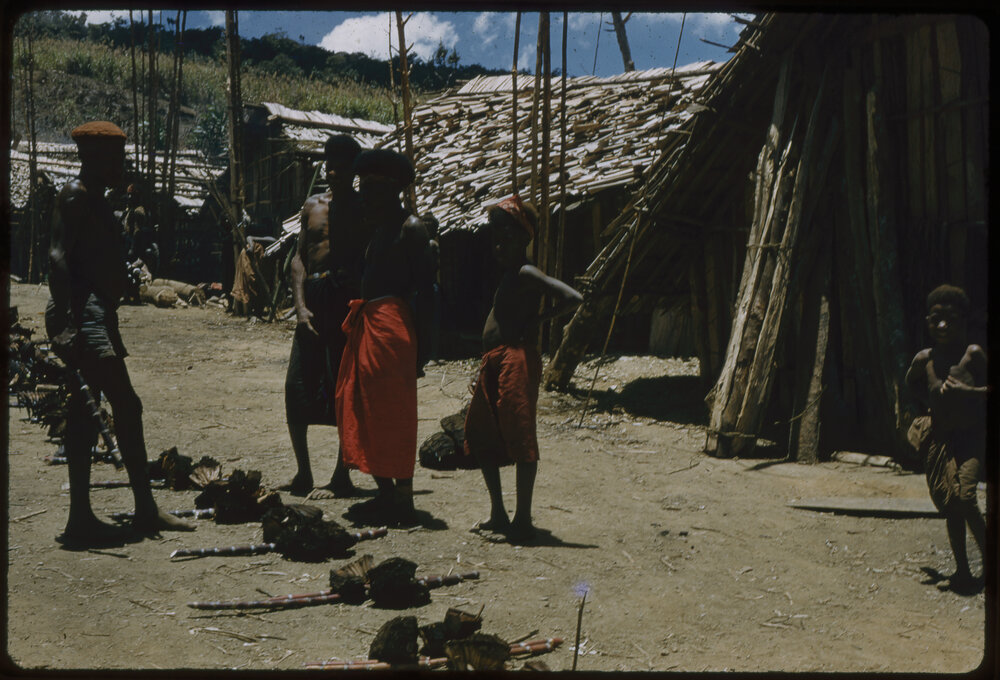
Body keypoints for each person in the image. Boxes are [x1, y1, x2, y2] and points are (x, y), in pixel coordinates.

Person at [45, 120, 195, 547]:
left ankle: (121, 512)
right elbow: (58, 258)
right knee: (122, 404)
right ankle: (104, 516)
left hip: (96, 312)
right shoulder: (75, 195)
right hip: (84, 311)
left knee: (93, 407)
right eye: (116, 158)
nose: (122, 165)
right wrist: (69, 323)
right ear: (93, 159)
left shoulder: (97, 200)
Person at [462, 195, 583, 543]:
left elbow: (573, 297)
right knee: (482, 432)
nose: (497, 241)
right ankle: (498, 513)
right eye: (494, 234)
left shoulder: (527, 272)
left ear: (523, 238)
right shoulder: (510, 275)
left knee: (520, 436)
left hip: (516, 358)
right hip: (496, 358)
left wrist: (538, 321)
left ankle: (522, 520)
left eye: (505, 234)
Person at [335, 149, 435, 526]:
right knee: (360, 407)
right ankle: (387, 494)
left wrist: (423, 352)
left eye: (370, 189)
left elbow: (427, 293)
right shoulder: (378, 231)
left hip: (393, 332)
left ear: (391, 189)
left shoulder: (411, 228)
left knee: (394, 414)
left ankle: (403, 501)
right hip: (370, 326)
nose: (363, 196)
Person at [281, 135, 368, 498]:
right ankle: (303, 473)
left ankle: (340, 476)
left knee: (344, 390)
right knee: (296, 386)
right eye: (329, 163)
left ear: (353, 170)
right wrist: (300, 308)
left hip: (346, 302)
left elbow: (370, 258)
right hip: (313, 298)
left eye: (341, 165)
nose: (333, 171)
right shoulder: (312, 205)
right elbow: (299, 259)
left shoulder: (364, 210)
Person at [905, 284, 988, 594]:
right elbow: (910, 383)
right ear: (928, 321)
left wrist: (970, 393)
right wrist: (926, 406)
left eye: (950, 319)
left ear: (962, 322)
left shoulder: (973, 355)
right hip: (940, 441)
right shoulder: (925, 359)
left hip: (970, 439)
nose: (941, 325)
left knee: (965, 498)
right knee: (951, 506)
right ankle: (963, 572)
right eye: (935, 319)